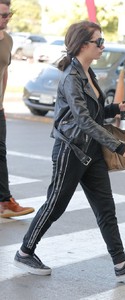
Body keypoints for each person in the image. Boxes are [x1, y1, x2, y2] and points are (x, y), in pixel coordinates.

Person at [13, 20, 125, 282]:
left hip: (92, 152)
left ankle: (121, 263)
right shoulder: (71, 77)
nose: (103, 46)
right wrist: (119, 145)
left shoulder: (90, 73)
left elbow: (95, 113)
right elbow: (83, 120)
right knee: (56, 205)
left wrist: (115, 109)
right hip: (72, 151)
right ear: (82, 45)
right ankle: (25, 251)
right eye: (98, 41)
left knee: (105, 207)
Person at [0, 0, 34, 218]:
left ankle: (5, 201)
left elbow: (4, 72)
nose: (6, 18)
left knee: (0, 153)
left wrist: (2, 101)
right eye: (3, 14)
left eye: (8, 14)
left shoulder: (9, 41)